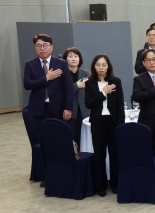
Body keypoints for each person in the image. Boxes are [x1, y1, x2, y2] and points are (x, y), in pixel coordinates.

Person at [23, 34, 74, 184]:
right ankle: (47, 175)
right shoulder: (30, 64)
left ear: (51, 47)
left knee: (59, 141)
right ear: (35, 48)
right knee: (44, 143)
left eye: (45, 45)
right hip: (39, 110)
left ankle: (62, 171)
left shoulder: (61, 63)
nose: (42, 48)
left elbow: (68, 89)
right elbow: (27, 84)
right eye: (39, 46)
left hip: (58, 108)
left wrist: (68, 108)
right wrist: (46, 78)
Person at [84, 54, 124, 197]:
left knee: (115, 154)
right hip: (98, 122)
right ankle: (100, 186)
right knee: (99, 155)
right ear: (94, 67)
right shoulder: (89, 83)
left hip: (113, 122)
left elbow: (120, 105)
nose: (101, 67)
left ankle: (115, 184)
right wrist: (103, 93)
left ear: (108, 66)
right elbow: (88, 104)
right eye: (98, 65)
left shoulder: (116, 81)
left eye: (104, 65)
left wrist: (121, 125)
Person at [63, 47, 89, 146]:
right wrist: (76, 86)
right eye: (70, 56)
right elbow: (62, 92)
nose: (73, 59)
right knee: (71, 138)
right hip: (70, 111)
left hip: (84, 111)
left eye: (76, 56)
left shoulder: (85, 74)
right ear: (65, 59)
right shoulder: (62, 74)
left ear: (80, 59)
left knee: (84, 138)